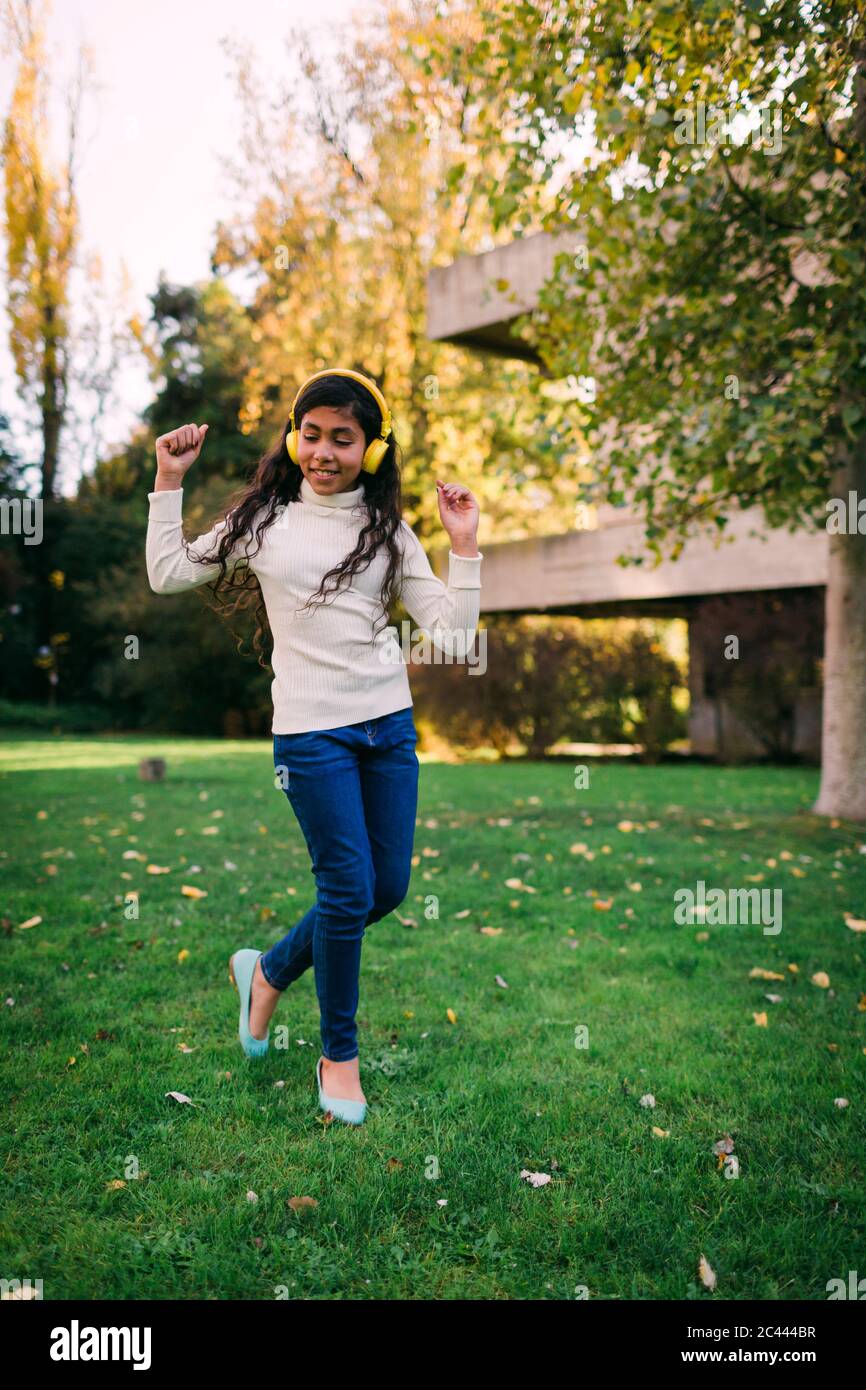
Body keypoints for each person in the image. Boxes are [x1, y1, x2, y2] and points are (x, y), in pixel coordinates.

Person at [146, 368, 483, 1124]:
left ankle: (266, 973)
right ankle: (339, 1059)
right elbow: (167, 572)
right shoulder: (265, 524)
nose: (324, 450)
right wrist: (169, 479)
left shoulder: (390, 533)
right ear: (293, 438)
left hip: (388, 728)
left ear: (370, 449)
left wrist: (465, 545)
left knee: (384, 888)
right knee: (345, 889)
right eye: (312, 433)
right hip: (310, 734)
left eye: (343, 438)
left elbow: (455, 635)